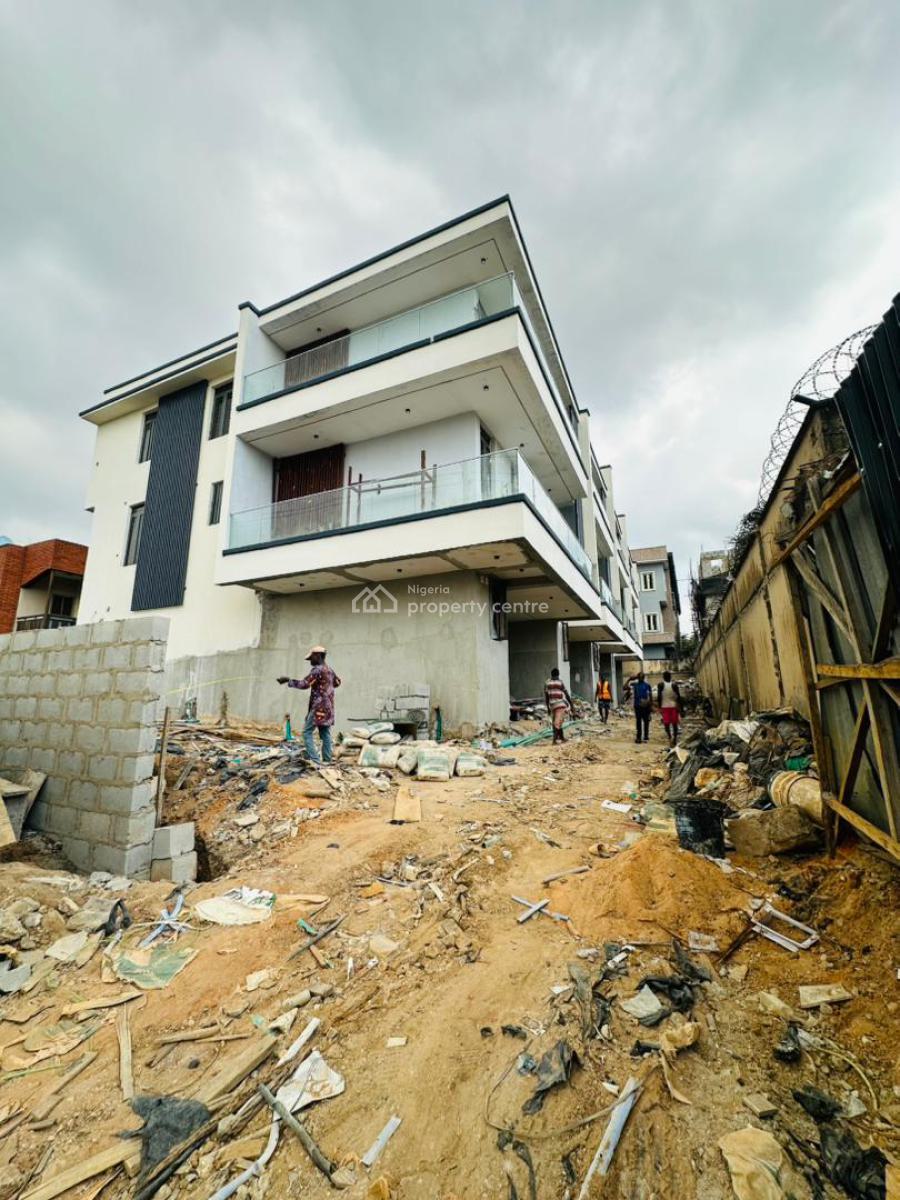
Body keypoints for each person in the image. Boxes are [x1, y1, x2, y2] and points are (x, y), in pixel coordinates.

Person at [277, 645, 341, 764]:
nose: (310, 661)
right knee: (325, 733)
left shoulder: (317, 670)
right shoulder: (329, 670)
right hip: (329, 707)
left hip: (319, 707)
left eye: (311, 658)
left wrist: (288, 681)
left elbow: (305, 684)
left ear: (318, 656)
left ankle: (315, 761)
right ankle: (327, 760)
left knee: (306, 733)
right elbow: (337, 682)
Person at [544, 667, 573, 744]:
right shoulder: (560, 682)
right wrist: (571, 704)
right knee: (557, 723)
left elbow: (546, 697)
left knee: (557, 722)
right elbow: (566, 694)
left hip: (552, 705)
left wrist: (548, 707)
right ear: (558, 674)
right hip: (560, 704)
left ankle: (562, 738)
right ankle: (554, 740)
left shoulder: (547, 683)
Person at [657, 671, 682, 746]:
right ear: (670, 677)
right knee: (674, 724)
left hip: (665, 707)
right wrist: (680, 708)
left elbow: (659, 697)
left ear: (663, 677)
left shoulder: (660, 685)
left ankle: (670, 737)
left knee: (666, 724)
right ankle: (674, 738)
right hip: (673, 707)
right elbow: (679, 697)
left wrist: (659, 707)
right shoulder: (674, 685)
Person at [632, 671, 653, 743]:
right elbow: (624, 687)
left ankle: (646, 736)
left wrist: (650, 707)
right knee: (638, 722)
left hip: (645, 706)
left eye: (642, 677)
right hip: (637, 706)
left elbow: (650, 697)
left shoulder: (647, 685)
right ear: (637, 678)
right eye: (639, 677)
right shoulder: (635, 685)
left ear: (643, 678)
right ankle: (638, 737)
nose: (640, 678)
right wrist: (629, 679)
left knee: (646, 721)